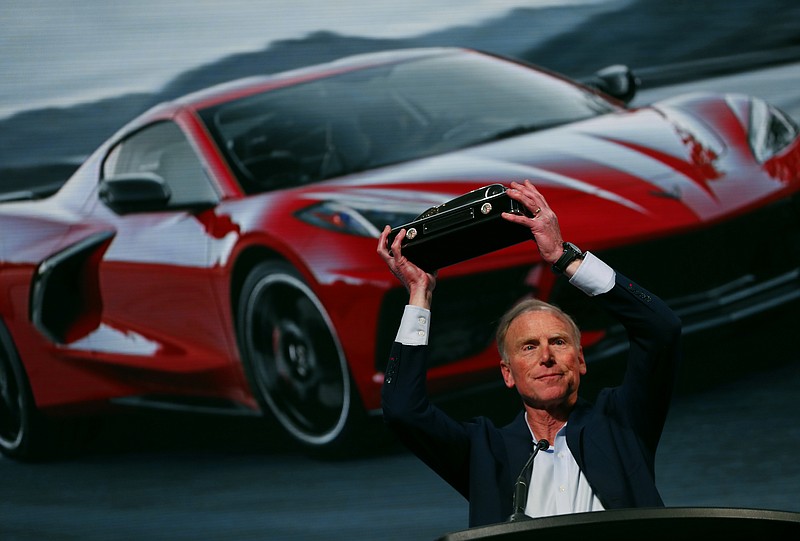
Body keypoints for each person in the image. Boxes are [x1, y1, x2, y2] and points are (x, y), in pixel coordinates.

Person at [377, 179, 682, 528]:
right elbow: (402, 409)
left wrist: (565, 257)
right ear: (507, 373)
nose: (546, 356)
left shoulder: (622, 421)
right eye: (529, 347)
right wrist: (419, 294)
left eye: (559, 342)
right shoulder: (484, 453)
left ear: (580, 361)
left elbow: (661, 329)